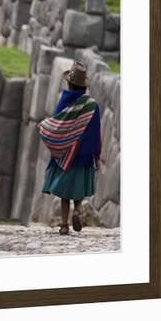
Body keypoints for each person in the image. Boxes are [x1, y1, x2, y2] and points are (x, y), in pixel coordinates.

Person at [38, 61, 101, 235]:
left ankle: (64, 225)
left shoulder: (65, 100)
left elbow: (56, 124)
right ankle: (78, 208)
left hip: (65, 154)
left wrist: (44, 128)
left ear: (69, 83)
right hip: (84, 156)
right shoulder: (92, 106)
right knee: (78, 189)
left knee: (65, 193)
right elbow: (96, 133)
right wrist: (97, 155)